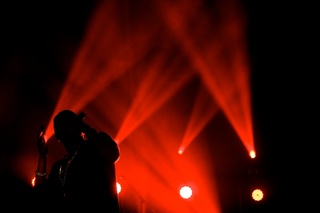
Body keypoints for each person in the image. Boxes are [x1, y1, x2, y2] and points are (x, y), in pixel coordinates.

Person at [33, 109, 120, 212]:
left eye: (69, 123)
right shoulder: (60, 167)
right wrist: (42, 157)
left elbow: (113, 153)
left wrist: (85, 128)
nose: (67, 128)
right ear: (58, 136)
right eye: (62, 126)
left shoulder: (95, 148)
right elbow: (40, 194)